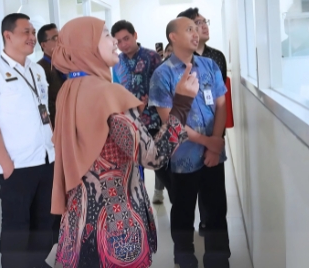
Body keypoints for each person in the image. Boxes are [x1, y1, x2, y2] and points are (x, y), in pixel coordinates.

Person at [50, 17, 198, 268]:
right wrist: (182, 105)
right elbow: (152, 157)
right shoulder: (108, 94)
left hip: (78, 225)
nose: (115, 43)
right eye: (107, 35)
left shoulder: (68, 91)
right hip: (116, 227)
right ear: (87, 46)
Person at [0, 13, 55, 268]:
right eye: (26, 32)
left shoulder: (37, 71)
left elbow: (46, 114)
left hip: (47, 161)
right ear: (7, 36)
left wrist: (55, 149)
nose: (32, 37)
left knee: (47, 226)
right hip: (17, 167)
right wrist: (6, 165)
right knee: (16, 233)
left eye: (33, 33)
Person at [150, 17, 230, 268]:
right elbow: (170, 123)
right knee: (183, 212)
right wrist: (210, 141)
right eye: (189, 30)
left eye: (197, 29)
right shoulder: (162, 74)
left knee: (216, 210)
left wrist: (215, 142)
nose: (196, 34)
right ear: (173, 37)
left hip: (213, 154)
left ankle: (218, 260)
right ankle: (184, 259)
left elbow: (220, 104)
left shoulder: (209, 65)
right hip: (183, 157)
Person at [177, 7, 228, 236]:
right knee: (185, 203)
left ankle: (213, 239)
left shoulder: (216, 58)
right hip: (185, 146)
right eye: (196, 23)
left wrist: (215, 142)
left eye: (204, 21)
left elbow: (221, 104)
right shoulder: (172, 67)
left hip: (213, 142)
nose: (203, 25)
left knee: (214, 203)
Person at [111, 19, 169, 205]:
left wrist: (146, 103)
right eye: (118, 41)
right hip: (129, 124)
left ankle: (176, 201)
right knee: (134, 170)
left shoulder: (152, 57)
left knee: (161, 165)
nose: (123, 44)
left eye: (126, 38)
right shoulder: (116, 63)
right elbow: (116, 89)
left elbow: (163, 89)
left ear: (135, 35)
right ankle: (139, 204)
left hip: (153, 122)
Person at [37, 23, 66, 128]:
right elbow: (43, 103)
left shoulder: (66, 63)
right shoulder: (39, 69)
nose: (59, 41)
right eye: (54, 38)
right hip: (56, 125)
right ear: (43, 45)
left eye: (59, 37)